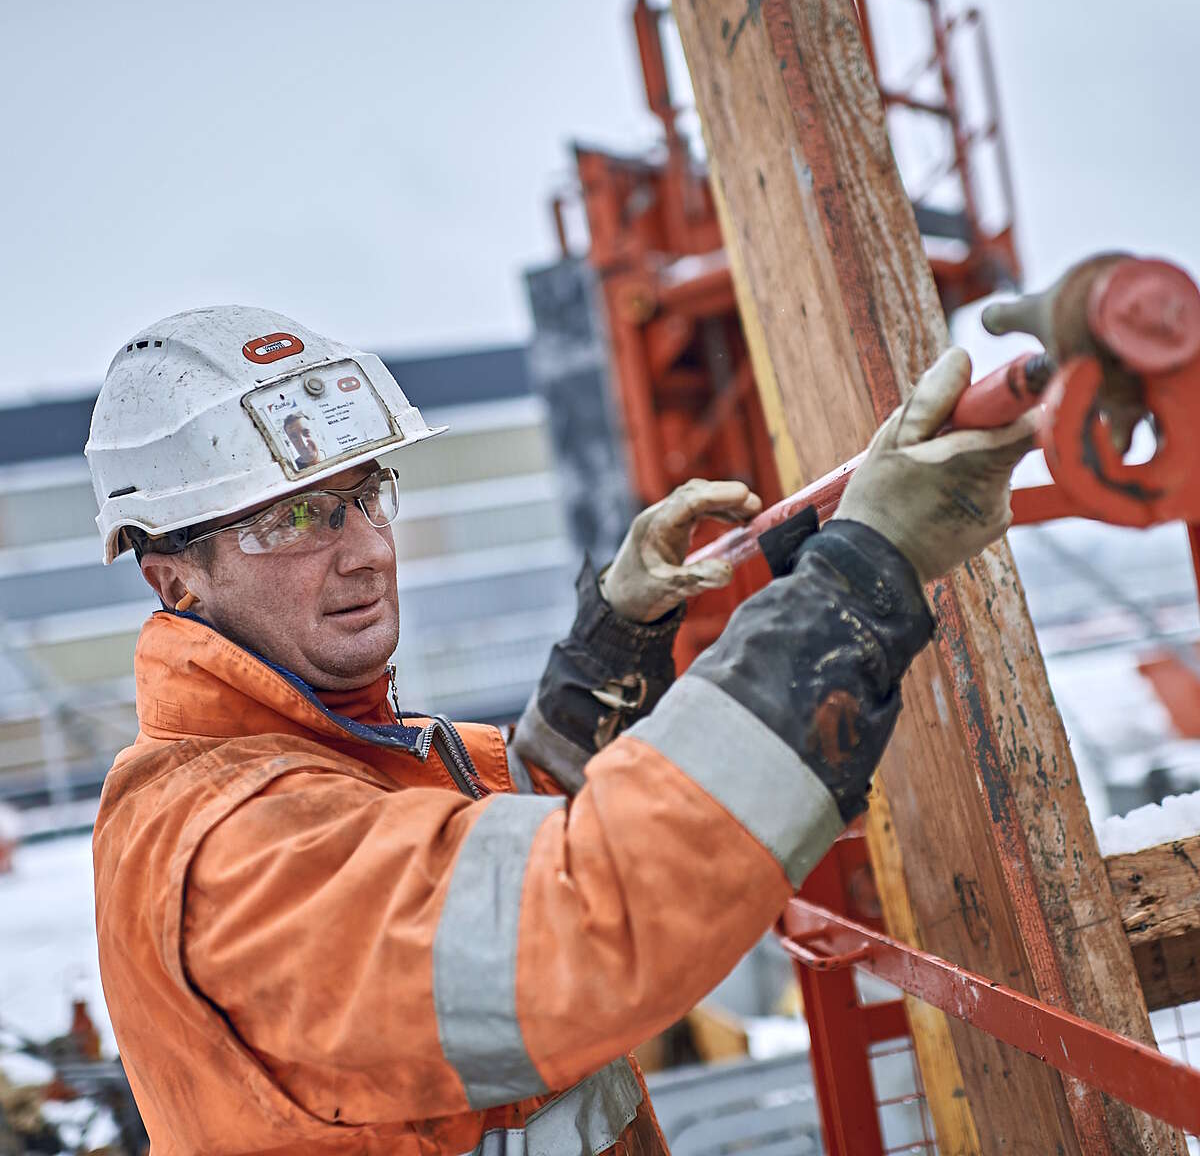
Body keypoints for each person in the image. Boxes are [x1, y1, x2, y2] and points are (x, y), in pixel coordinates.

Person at [86, 304, 1034, 1155]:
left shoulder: (339, 759)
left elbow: (509, 839)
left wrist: (614, 642)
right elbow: (578, 920)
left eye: (367, 495)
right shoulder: (228, 845)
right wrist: (863, 577)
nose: (369, 551)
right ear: (174, 578)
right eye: (297, 518)